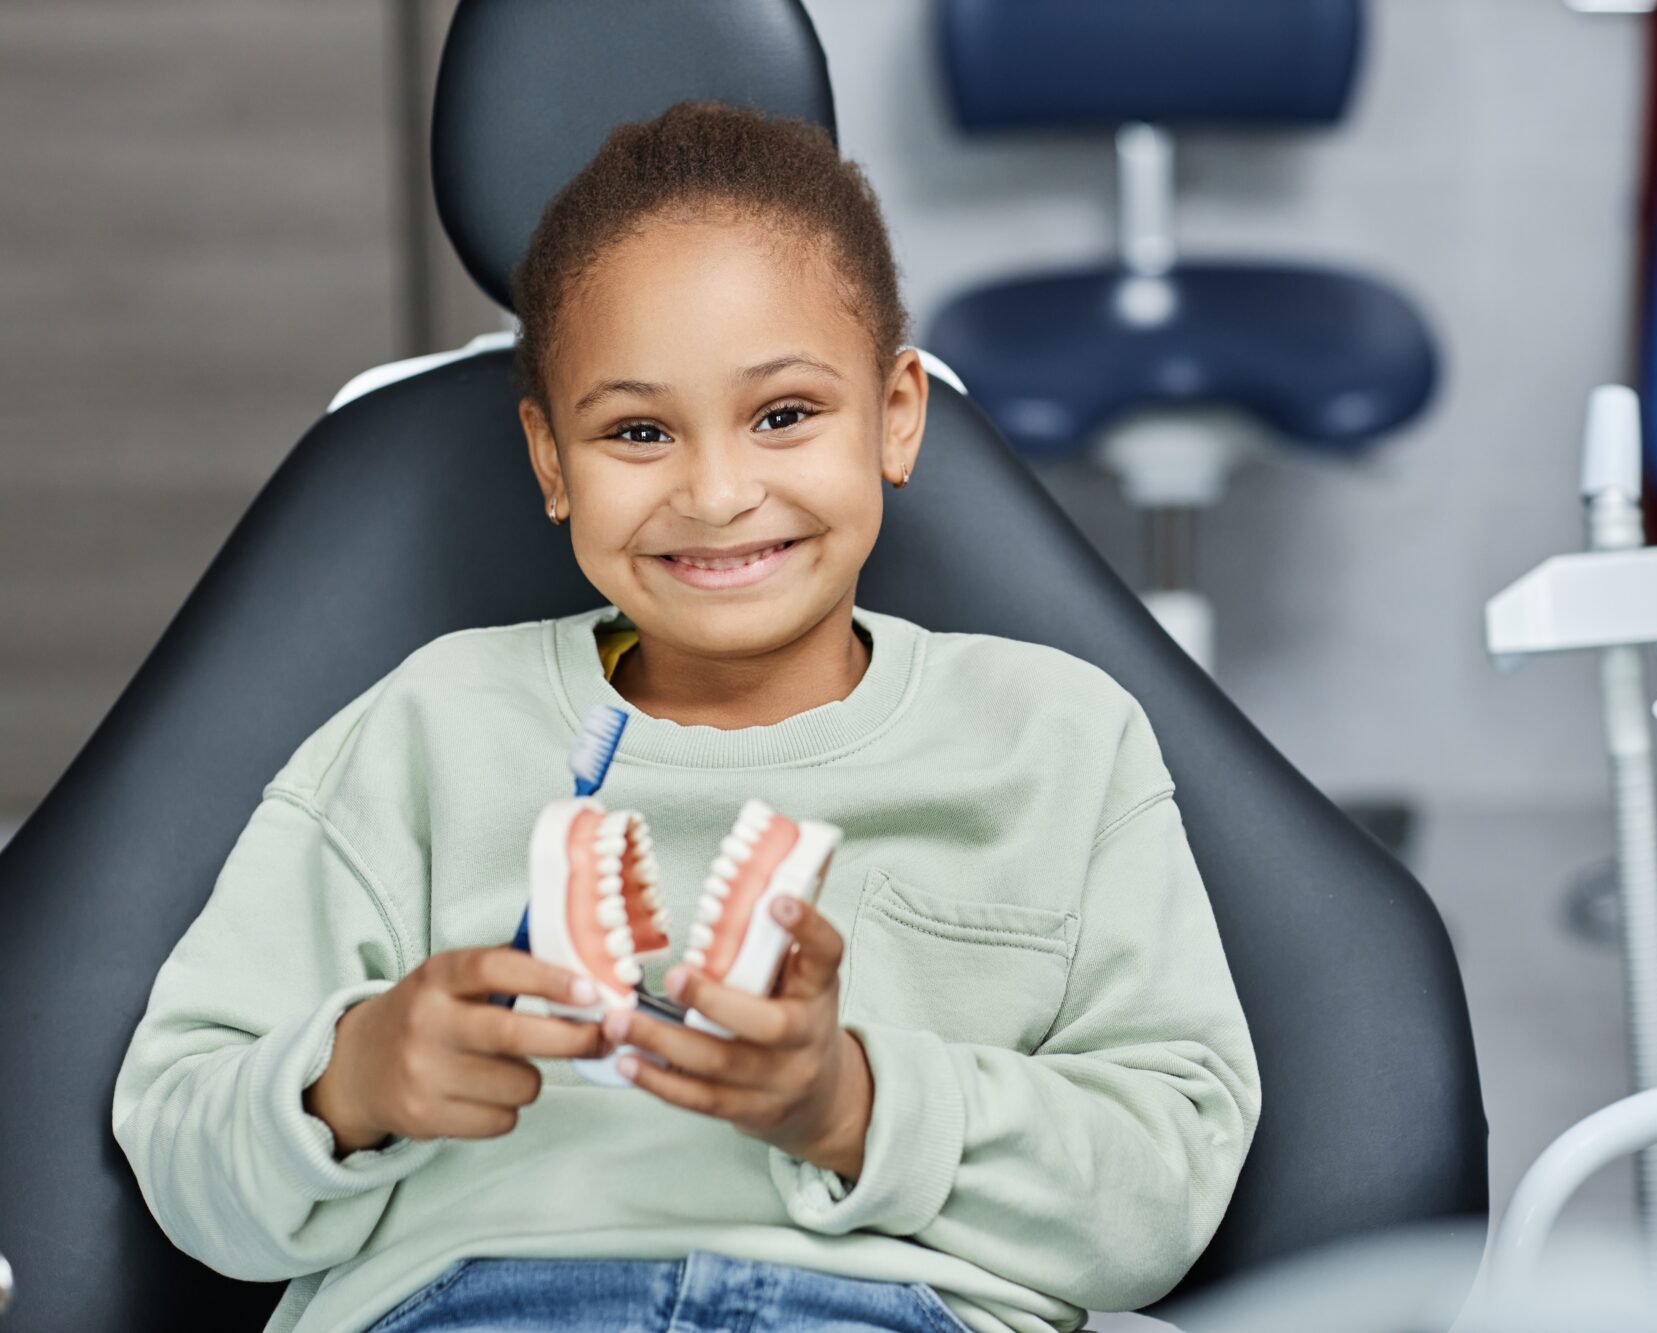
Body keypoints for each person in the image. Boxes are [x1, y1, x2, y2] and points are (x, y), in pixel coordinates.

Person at [113, 102, 1259, 1333]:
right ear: (552, 464)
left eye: (782, 415)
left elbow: (1165, 1185)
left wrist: (856, 1105)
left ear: (896, 415)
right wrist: (351, 1078)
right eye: (638, 432)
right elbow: (181, 1142)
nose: (717, 494)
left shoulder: (1056, 741)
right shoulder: (429, 730)